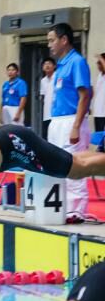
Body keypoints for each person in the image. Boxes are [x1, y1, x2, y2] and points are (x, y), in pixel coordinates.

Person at [47, 22, 92, 224]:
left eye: (52, 40)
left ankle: (76, 211)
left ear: (64, 40)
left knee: (74, 165)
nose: (49, 45)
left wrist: (76, 126)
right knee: (57, 165)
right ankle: (63, 207)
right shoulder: (61, 65)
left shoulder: (77, 62)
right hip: (57, 121)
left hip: (71, 120)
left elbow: (85, 95)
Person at [39, 57, 56, 138]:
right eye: (45, 64)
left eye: (49, 63)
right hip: (46, 114)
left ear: (54, 66)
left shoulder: (58, 77)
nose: (47, 65)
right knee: (47, 137)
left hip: (56, 114)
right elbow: (43, 96)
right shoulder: (43, 81)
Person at [93, 53, 105, 133]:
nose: (98, 65)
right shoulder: (100, 75)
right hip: (98, 112)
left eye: (99, 63)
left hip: (104, 113)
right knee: (99, 136)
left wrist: (101, 58)